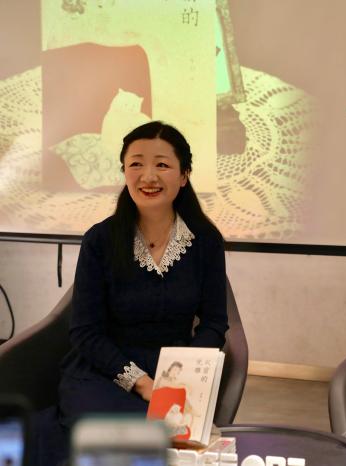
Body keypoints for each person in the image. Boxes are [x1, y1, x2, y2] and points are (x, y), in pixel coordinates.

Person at [34, 121, 229, 465]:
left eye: (162, 164)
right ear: (124, 171)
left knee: (179, 446)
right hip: (105, 371)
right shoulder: (100, 240)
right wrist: (142, 383)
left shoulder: (206, 241)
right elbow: (85, 331)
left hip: (174, 370)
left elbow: (214, 323)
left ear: (184, 175)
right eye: (136, 163)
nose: (148, 176)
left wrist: (182, 376)